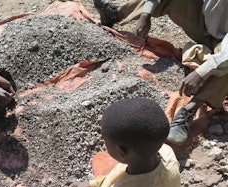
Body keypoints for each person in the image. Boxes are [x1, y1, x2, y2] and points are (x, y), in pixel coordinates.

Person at [92, 0, 228, 144]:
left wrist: (201, 72)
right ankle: (115, 14)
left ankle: (187, 111)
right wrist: (146, 13)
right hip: (206, 25)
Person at [59, 98, 181, 187]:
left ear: (122, 152)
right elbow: (120, 176)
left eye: (105, 142)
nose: (104, 145)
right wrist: (92, 185)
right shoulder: (169, 156)